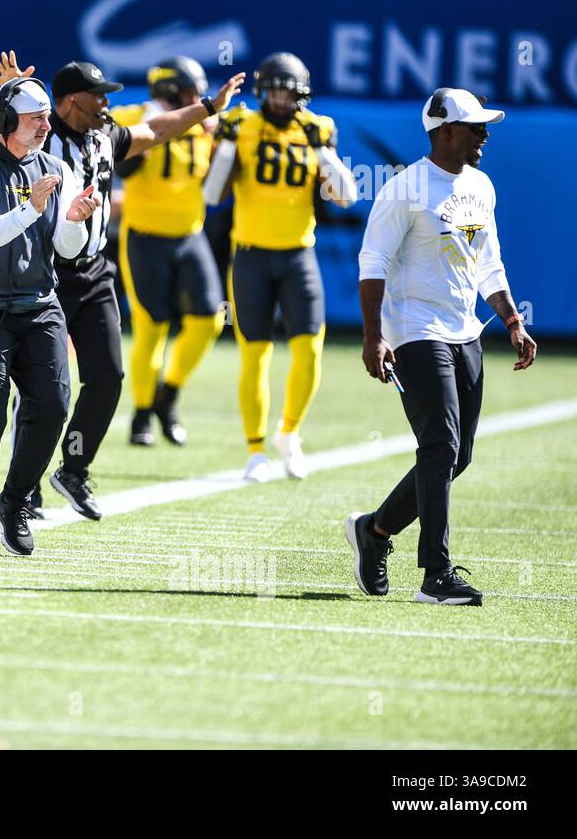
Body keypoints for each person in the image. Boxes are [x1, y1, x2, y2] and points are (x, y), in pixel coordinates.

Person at [0, 52, 244, 519]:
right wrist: (10, 94)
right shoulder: (38, 142)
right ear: (69, 101)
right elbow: (0, 138)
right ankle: (23, 487)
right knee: (41, 391)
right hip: (43, 276)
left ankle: (74, 468)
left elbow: (159, 130)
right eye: (97, 96)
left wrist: (208, 107)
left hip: (93, 271)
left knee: (107, 377)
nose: (106, 104)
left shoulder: (104, 136)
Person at [346, 88, 534, 607]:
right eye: (475, 127)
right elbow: (373, 263)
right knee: (440, 444)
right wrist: (373, 334)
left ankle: (375, 531)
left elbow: (487, 262)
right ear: (444, 131)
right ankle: (436, 574)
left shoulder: (481, 185)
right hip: (414, 330)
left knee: (458, 455)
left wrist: (512, 320)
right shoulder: (405, 189)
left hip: (464, 330)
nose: (484, 135)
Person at [0, 75, 100, 557]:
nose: (45, 126)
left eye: (46, 117)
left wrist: (73, 221)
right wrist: (32, 209)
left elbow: (66, 249)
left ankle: (12, 503)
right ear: (8, 120)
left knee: (54, 403)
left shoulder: (54, 167)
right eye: (35, 118)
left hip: (37, 302)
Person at [203, 52, 357, 483]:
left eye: (287, 91)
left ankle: (289, 433)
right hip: (251, 254)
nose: (279, 99)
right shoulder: (243, 125)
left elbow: (345, 195)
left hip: (297, 254)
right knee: (255, 355)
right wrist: (227, 148)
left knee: (309, 349)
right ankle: (255, 450)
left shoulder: (318, 128)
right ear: (261, 90)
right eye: (273, 90)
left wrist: (322, 152)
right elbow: (213, 195)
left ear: (301, 94)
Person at [114, 56, 224, 447]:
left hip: (189, 235)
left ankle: (168, 393)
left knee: (209, 320)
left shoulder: (205, 126)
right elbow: (114, 137)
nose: (196, 99)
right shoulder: (137, 114)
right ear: (167, 92)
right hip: (145, 236)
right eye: (188, 93)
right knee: (151, 328)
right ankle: (141, 415)